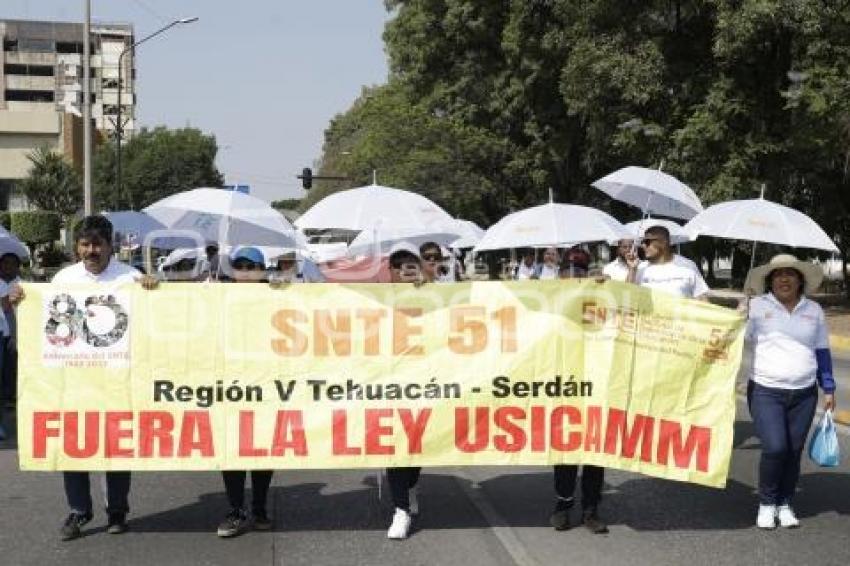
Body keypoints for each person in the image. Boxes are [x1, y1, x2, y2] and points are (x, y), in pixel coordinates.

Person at [9, 215, 156, 540]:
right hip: (74, 380)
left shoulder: (131, 277)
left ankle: (117, 511)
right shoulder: (64, 277)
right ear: (77, 246)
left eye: (98, 244)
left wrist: (152, 289)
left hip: (118, 378)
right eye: (85, 244)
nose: (91, 251)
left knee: (116, 447)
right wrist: (22, 299)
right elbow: (45, 319)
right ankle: (79, 511)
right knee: (73, 446)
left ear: (110, 246)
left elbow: (150, 323)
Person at [742, 254, 836, 529]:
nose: (784, 278)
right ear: (770, 280)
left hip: (804, 393)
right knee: (775, 447)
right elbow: (737, 337)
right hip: (765, 390)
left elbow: (822, 350)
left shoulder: (813, 310)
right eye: (778, 274)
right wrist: (740, 313)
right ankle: (766, 503)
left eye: (790, 274)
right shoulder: (757, 306)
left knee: (794, 451)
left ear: (800, 280)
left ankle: (784, 503)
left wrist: (827, 387)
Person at [217, 246, 275, 537]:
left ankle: (260, 507)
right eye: (239, 266)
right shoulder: (216, 296)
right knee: (232, 450)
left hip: (266, 383)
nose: (246, 271)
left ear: (263, 270)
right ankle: (236, 509)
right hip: (230, 386)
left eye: (252, 266)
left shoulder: (279, 294)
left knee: (262, 449)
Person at [549, 246, 608, 534]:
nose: (575, 276)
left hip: (595, 384)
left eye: (581, 271)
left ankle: (591, 509)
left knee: (596, 450)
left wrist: (612, 289)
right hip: (560, 386)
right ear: (560, 273)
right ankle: (563, 505)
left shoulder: (598, 299)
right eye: (570, 270)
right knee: (565, 449)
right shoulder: (544, 298)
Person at [385, 245, 425, 540]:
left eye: (411, 265)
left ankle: (411, 487)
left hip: (426, 383)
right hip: (388, 384)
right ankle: (400, 510)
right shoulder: (376, 300)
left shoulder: (434, 296)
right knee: (395, 447)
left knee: (418, 445)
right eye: (399, 265)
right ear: (389, 271)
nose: (405, 270)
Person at [626, 226, 709, 299]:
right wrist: (632, 269)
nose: (643, 246)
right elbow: (626, 296)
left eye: (647, 242)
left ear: (663, 242)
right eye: (642, 242)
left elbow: (702, 300)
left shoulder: (688, 266)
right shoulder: (640, 268)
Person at [0, 252, 22, 442]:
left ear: (18, 266)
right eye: (4, 263)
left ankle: (12, 398)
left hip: (16, 333)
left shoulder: (23, 285)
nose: (7, 267)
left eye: (11, 264)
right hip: (2, 333)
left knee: (14, 368)